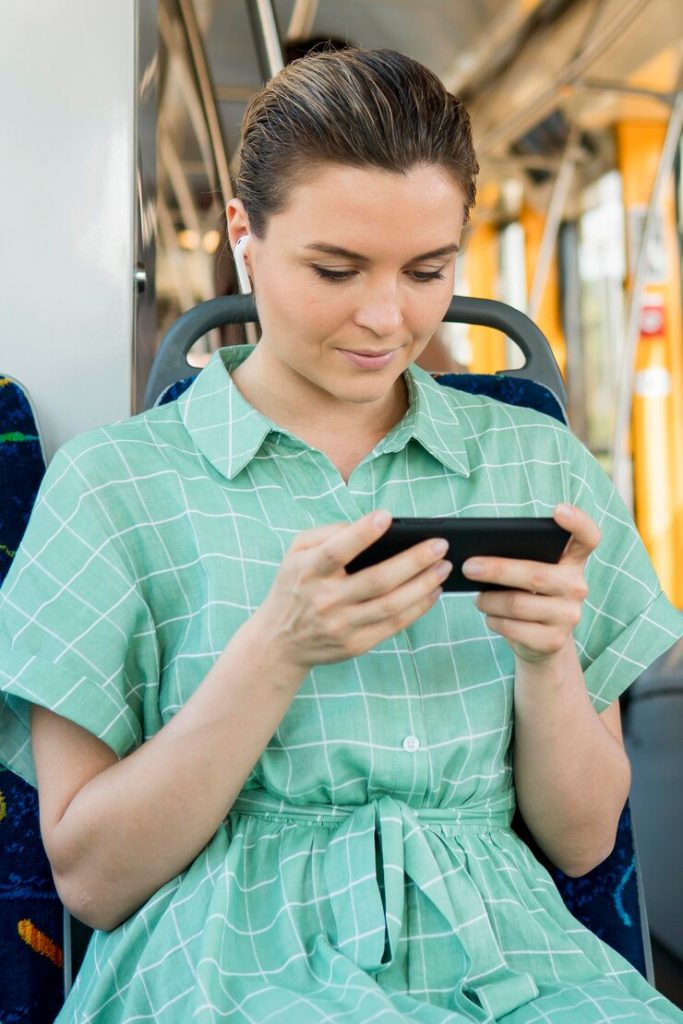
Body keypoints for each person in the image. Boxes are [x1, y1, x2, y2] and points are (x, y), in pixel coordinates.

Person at [1, 47, 682, 1024]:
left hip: (510, 960)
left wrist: (544, 663)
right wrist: (275, 651)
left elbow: (579, 845)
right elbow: (94, 880)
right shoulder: (114, 486)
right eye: (335, 267)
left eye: (427, 271)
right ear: (245, 237)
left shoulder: (536, 463)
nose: (383, 316)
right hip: (225, 964)